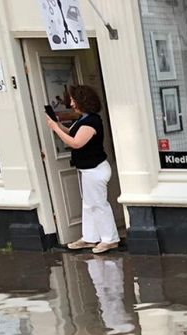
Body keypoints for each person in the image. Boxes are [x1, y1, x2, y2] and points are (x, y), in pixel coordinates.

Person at [45, 84, 121, 253]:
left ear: (82, 101)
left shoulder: (91, 121)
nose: (71, 104)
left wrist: (56, 129)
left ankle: (110, 239)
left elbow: (75, 143)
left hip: (95, 169)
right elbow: (72, 133)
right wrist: (57, 124)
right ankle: (90, 237)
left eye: (73, 101)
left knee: (98, 204)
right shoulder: (83, 119)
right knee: (89, 205)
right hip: (88, 170)